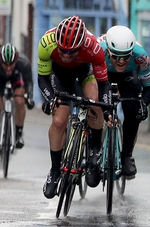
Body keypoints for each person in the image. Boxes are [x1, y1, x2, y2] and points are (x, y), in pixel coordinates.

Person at [38, 16, 110, 199]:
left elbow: (103, 84)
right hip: (60, 76)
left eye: (72, 52)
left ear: (81, 45)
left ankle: (94, 148)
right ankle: (55, 171)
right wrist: (50, 99)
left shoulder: (93, 48)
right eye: (62, 51)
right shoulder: (46, 42)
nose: (66, 56)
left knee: (94, 101)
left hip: (84, 73)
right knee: (59, 121)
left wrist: (107, 109)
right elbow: (43, 78)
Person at [98, 25, 150, 178]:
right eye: (116, 56)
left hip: (129, 76)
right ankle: (93, 151)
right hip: (104, 74)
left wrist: (142, 105)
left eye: (125, 56)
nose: (121, 61)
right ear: (108, 51)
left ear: (132, 53)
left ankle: (127, 155)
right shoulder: (98, 51)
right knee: (95, 105)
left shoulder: (140, 56)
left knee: (133, 108)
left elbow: (149, 88)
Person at [0, 44, 34, 160]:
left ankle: (18, 134)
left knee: (19, 101)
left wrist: (30, 98)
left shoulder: (23, 63)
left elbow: (29, 82)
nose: (8, 68)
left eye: (11, 64)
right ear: (0, 60)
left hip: (16, 77)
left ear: (16, 60)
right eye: (5, 64)